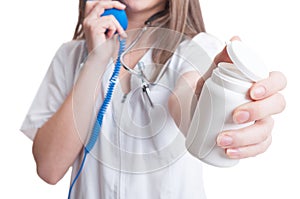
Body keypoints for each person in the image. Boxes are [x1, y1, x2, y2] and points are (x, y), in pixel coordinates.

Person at [20, 0, 287, 198]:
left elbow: (190, 102)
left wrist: (221, 112)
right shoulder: (70, 55)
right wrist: (95, 61)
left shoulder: (198, 49)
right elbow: (49, 167)